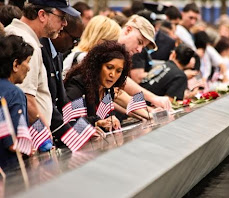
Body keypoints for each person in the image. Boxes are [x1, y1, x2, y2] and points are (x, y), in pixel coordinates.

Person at [5, 0, 80, 130]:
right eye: (61, 17)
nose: (65, 23)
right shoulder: (26, 42)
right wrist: (44, 133)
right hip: (28, 134)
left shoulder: (20, 35)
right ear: (42, 15)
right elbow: (26, 98)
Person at [64, 40, 131, 131]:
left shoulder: (107, 89)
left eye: (118, 71)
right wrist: (96, 122)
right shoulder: (78, 84)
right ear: (97, 65)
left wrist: (111, 119)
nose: (113, 74)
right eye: (109, 67)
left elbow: (105, 116)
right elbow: (69, 119)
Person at [0, 35, 34, 169]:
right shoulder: (15, 94)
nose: (29, 68)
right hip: (9, 171)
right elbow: (14, 143)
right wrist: (28, 148)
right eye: (28, 61)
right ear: (15, 64)